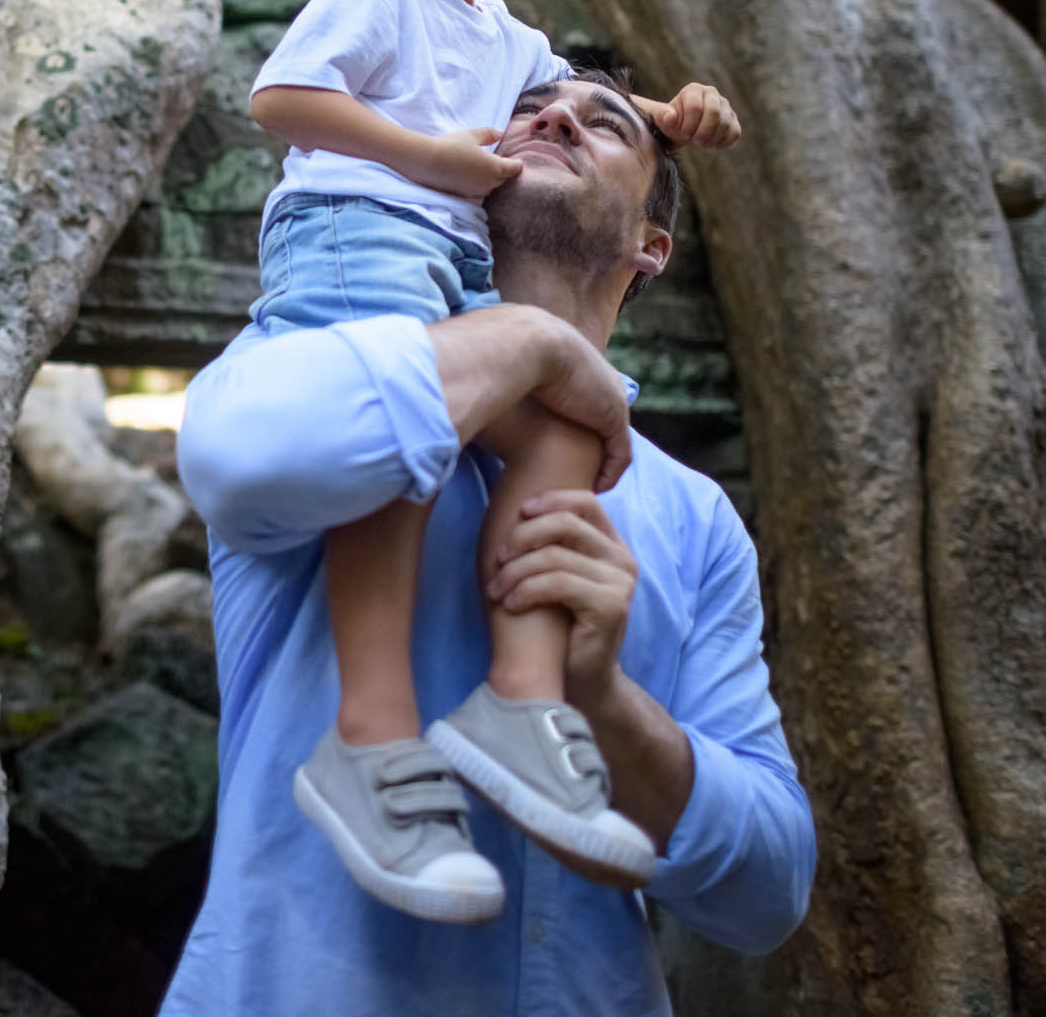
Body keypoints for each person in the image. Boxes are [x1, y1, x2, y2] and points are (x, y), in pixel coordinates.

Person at [162, 72, 814, 1015]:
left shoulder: (693, 517)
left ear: (651, 245)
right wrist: (527, 344)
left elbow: (769, 893)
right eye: (526, 107)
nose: (555, 117)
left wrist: (602, 700)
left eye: (607, 123)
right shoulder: (302, 357)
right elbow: (240, 461)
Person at [246, 0, 738, 915]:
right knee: (403, 440)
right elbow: (281, 99)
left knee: (570, 415)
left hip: (438, 258)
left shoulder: (503, 35)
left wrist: (670, 112)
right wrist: (427, 157)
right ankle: (369, 735)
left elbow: (580, 90)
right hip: (354, 233)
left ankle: (521, 698)